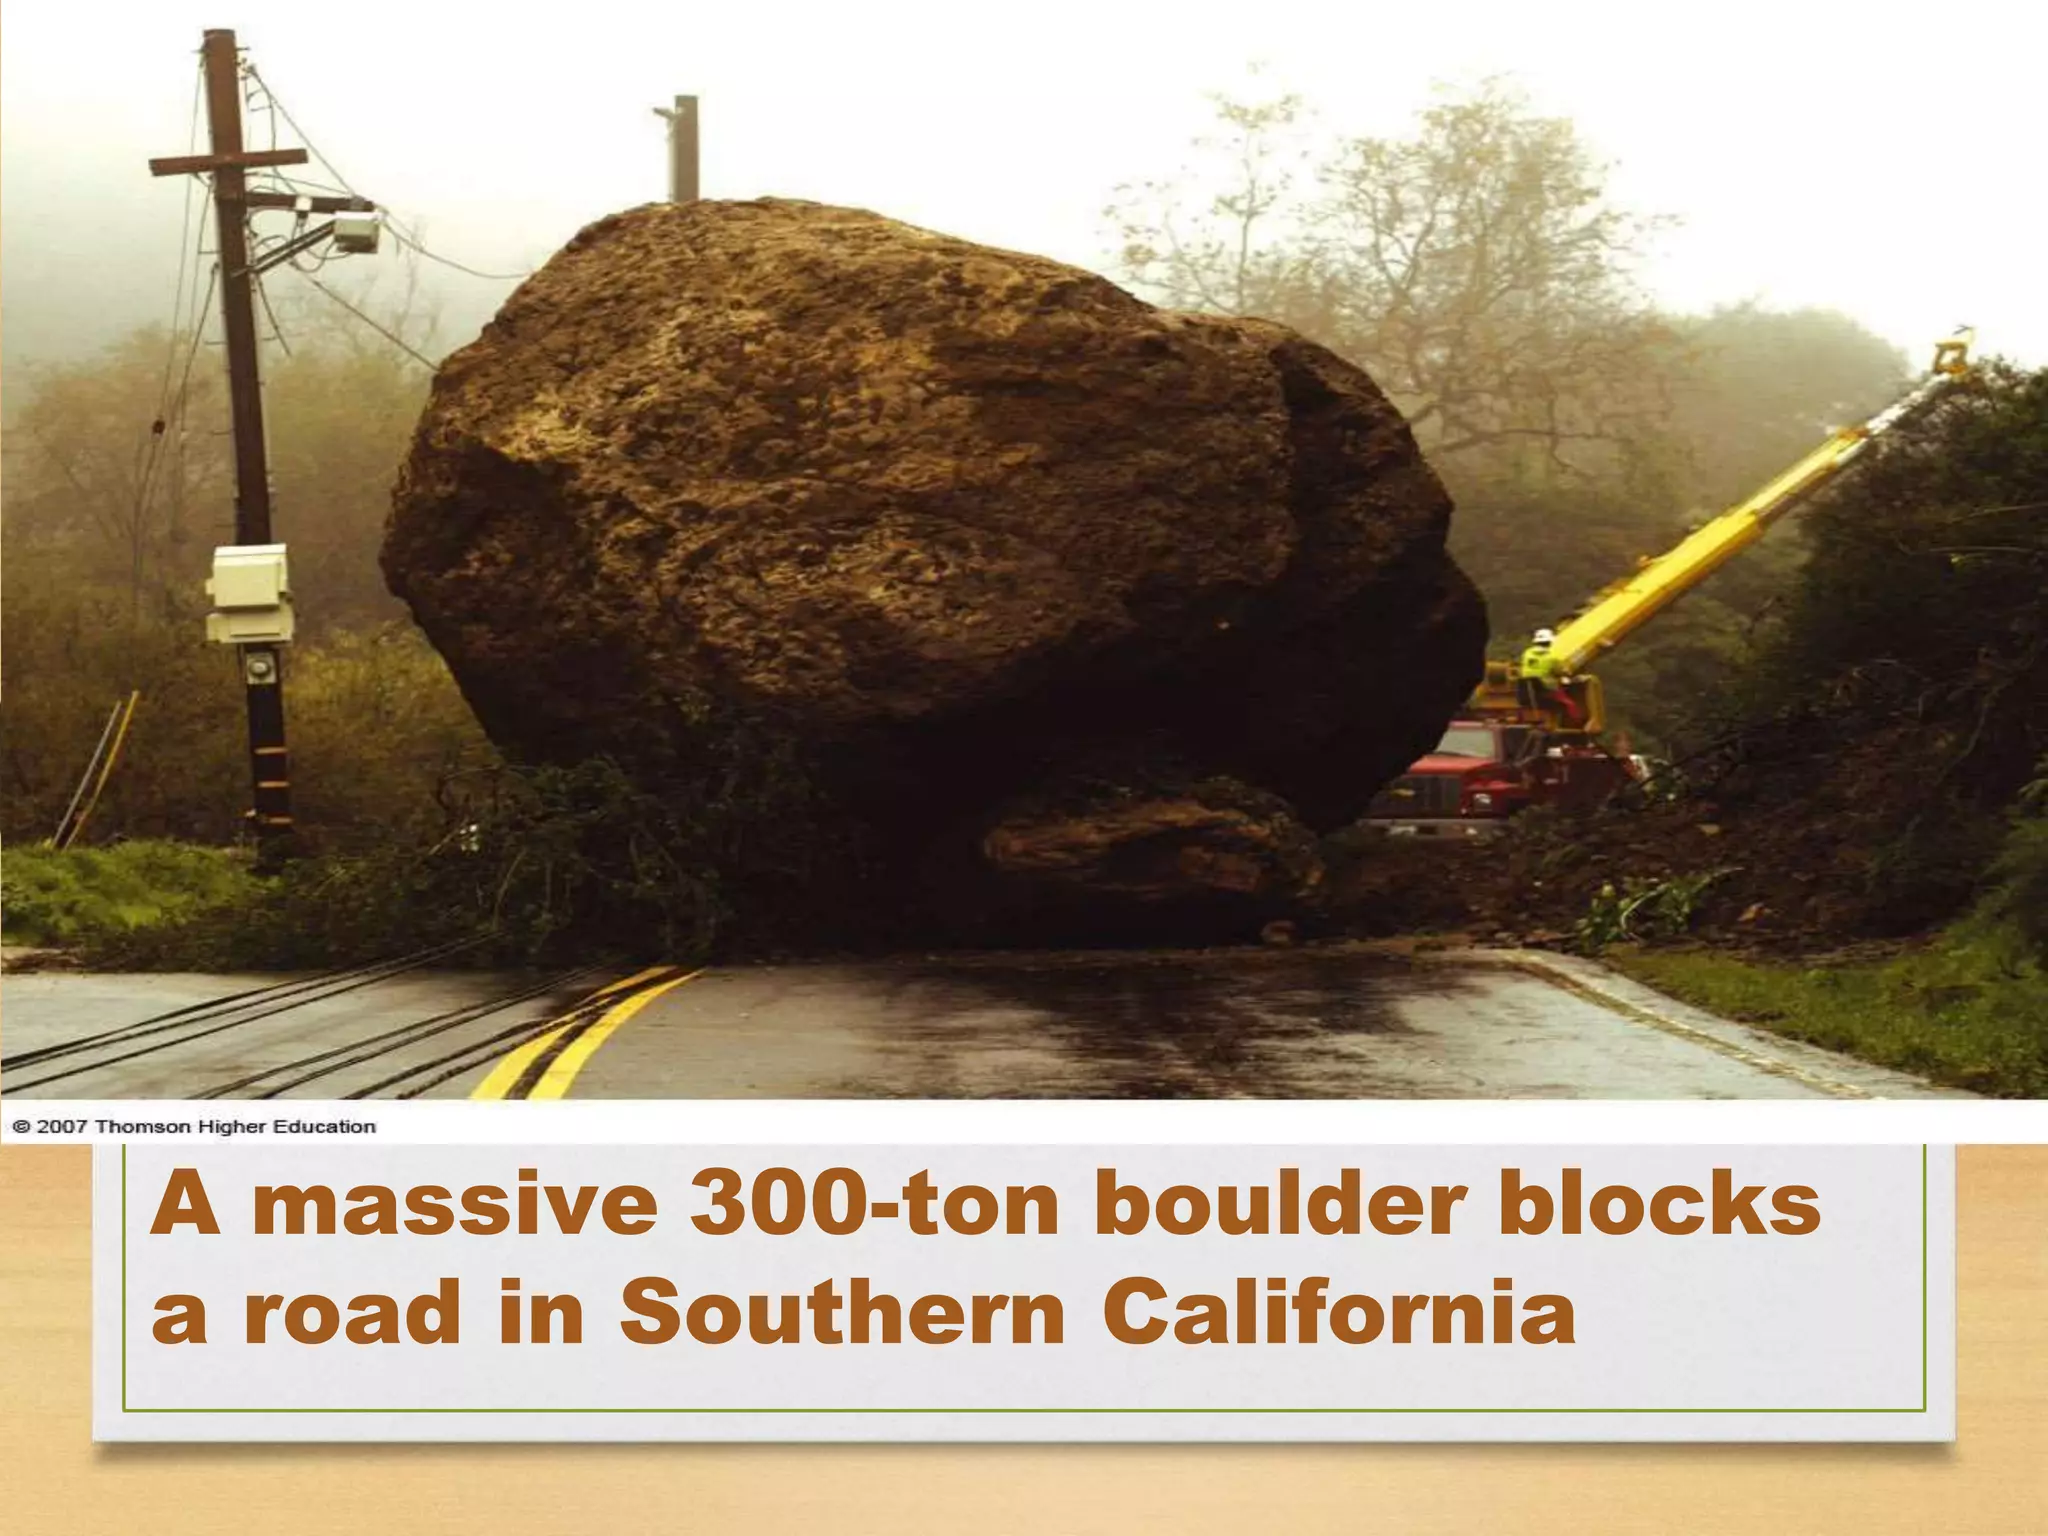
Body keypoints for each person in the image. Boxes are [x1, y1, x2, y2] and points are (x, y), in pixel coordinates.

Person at [1517, 628, 1587, 726]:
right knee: (1569, 704)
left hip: (1527, 690)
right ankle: (1578, 724)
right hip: (1546, 690)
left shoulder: (1527, 653)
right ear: (1549, 642)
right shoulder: (1552, 657)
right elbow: (1560, 671)